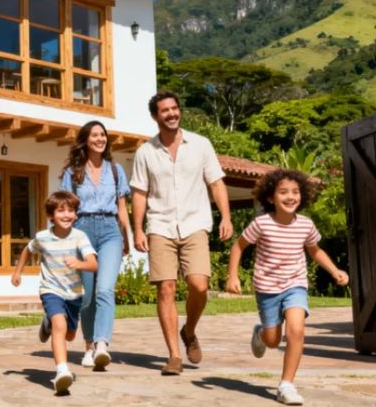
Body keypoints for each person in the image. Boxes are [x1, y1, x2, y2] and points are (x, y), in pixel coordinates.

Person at [225, 169, 349, 405]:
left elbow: (315, 250)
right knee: (273, 340)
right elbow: (238, 247)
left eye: (295, 192)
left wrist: (335, 270)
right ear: (271, 198)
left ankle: (287, 384)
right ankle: (261, 334)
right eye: (283, 192)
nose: (290, 197)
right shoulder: (261, 223)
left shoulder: (305, 225)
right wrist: (232, 276)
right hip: (267, 288)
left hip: (296, 285)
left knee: (296, 331)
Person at [130, 91, 233, 375]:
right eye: (165, 110)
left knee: (199, 286)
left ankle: (189, 329)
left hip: (195, 223)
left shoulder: (201, 145)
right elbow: (139, 192)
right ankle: (174, 355)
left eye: (175, 108)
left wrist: (226, 216)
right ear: (155, 116)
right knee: (166, 288)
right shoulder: (145, 152)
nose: (171, 114)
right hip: (160, 226)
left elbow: (216, 183)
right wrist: (137, 229)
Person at [60, 121, 131, 371]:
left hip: (110, 230)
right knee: (87, 296)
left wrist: (127, 237)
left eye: (102, 135)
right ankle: (89, 345)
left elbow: (122, 208)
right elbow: (66, 209)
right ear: (85, 140)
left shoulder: (116, 170)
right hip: (83, 232)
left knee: (105, 289)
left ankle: (102, 345)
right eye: (94, 135)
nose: (99, 139)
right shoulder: (72, 172)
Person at [11, 190, 98, 394]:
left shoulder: (79, 237)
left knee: (69, 335)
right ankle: (61, 371)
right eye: (61, 211)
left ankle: (47, 322)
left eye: (71, 210)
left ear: (76, 214)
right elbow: (27, 250)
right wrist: (17, 272)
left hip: (74, 293)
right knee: (60, 325)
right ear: (51, 215)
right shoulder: (42, 237)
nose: (66, 215)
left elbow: (94, 264)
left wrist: (80, 263)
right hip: (51, 289)